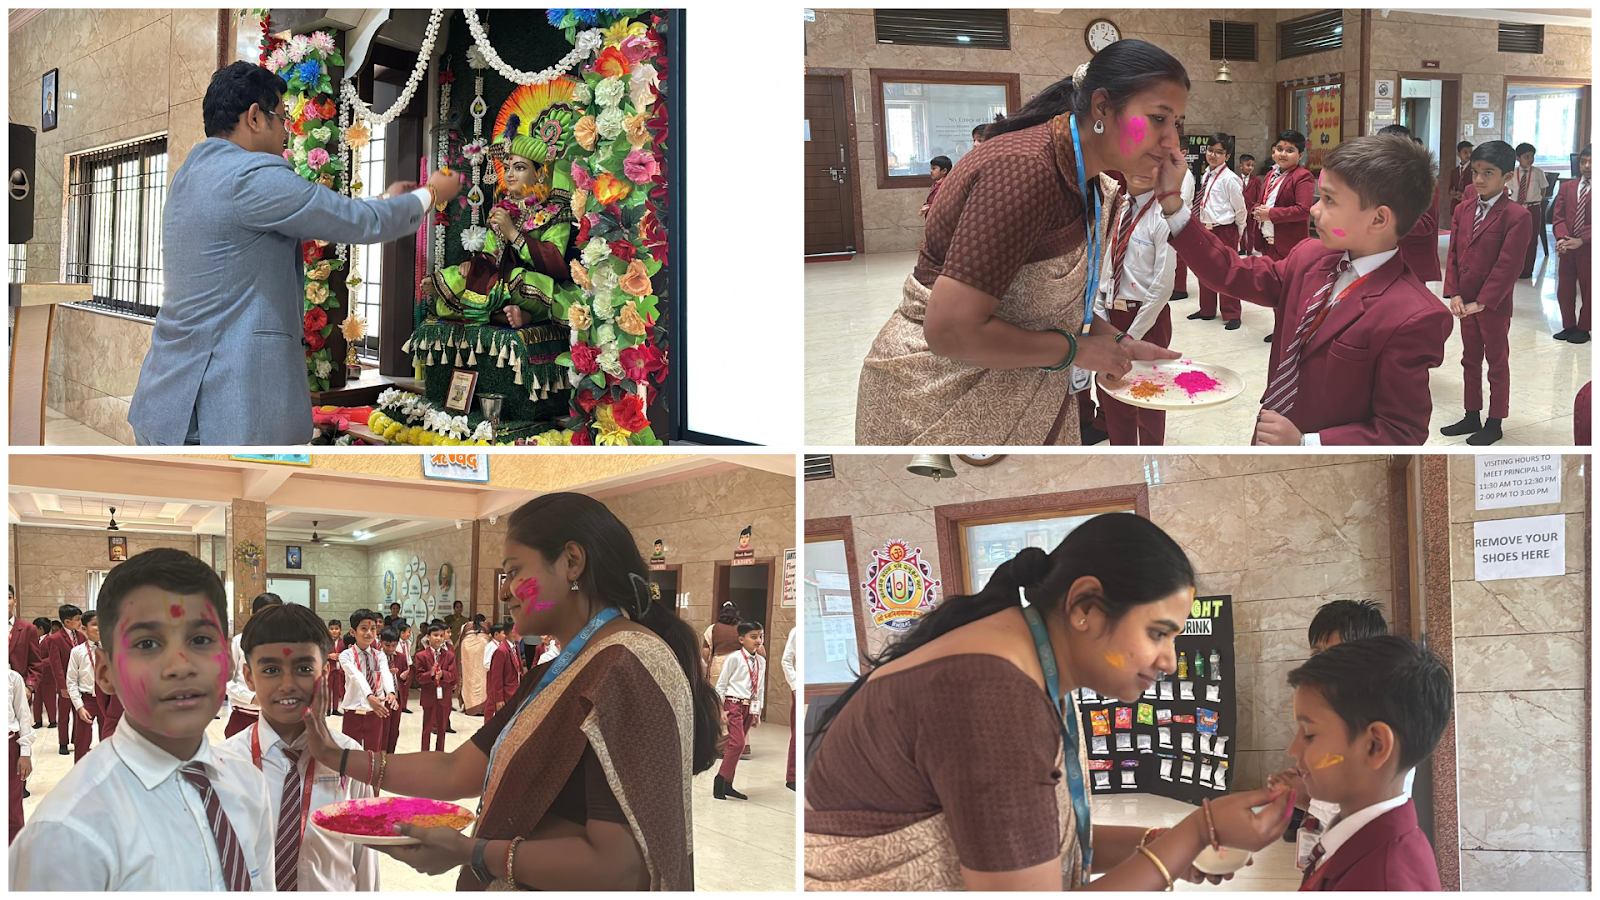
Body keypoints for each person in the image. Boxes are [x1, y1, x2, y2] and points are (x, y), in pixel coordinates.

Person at [805, 514, 1294, 890]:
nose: (1168, 660)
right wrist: (1192, 834)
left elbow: (1036, 837)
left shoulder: (1019, 662)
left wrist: (1166, 845)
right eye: (1157, 633)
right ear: (1084, 607)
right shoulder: (990, 694)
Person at [295, 492, 721, 890]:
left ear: (572, 562)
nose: (503, 589)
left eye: (515, 571)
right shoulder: (564, 668)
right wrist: (336, 755)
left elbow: (620, 863)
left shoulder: (627, 665)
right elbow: (457, 771)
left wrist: (473, 851)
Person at [853, 43, 1187, 445]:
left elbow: (1050, 302)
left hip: (1025, 387)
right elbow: (950, 332)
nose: (1171, 142)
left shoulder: (1094, 183)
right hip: (941, 398)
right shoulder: (1025, 170)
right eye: (1157, 119)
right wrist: (1078, 351)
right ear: (1102, 106)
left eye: (1177, 124)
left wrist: (1118, 342)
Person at [128, 62, 460, 445]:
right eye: (282, 117)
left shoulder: (191, 173)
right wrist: (429, 194)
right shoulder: (251, 175)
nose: (287, 130)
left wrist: (385, 199)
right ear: (255, 117)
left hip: (168, 396)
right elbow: (357, 222)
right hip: (224, 405)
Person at [8, 549, 276, 890]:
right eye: (148, 643)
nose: (180, 665)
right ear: (104, 671)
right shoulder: (67, 834)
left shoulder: (247, 785)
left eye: (200, 640)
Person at [1162, 133, 1452, 445]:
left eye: (1329, 200)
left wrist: (1306, 443)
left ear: (1379, 218)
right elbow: (1231, 273)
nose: (1314, 210)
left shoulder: (1413, 315)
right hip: (1273, 428)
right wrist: (1173, 206)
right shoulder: (1309, 256)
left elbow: (1401, 431)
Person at [220, 602, 377, 890]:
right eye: (270, 669)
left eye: (304, 668)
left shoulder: (350, 759)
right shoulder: (223, 766)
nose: (287, 684)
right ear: (248, 676)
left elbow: (364, 863)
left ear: (325, 674)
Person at [1281, 636, 1451, 890]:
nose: (1293, 750)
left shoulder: (1382, 882)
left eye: (1309, 734)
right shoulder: (1363, 843)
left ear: (1375, 746)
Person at [1275, 599, 1393, 843]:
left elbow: (1365, 810)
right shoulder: (1333, 707)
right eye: (1316, 653)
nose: (1321, 663)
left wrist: (1304, 798)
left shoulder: (1378, 720)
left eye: (1336, 653)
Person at [1441, 140, 1532, 446]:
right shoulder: (1463, 209)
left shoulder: (1516, 215)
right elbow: (1453, 253)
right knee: (1469, 359)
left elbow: (1509, 265)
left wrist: (1482, 301)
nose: (1478, 179)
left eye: (1488, 173)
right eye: (1476, 171)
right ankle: (1471, 414)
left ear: (1507, 176)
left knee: (1496, 361)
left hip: (1491, 305)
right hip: (1464, 302)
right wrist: (1453, 293)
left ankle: (1495, 421)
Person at [1095, 166, 1175, 446]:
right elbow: (1104, 263)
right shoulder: (1114, 210)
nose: (1142, 169)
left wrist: (1132, 337)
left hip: (1146, 318)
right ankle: (1122, 450)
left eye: (1152, 163)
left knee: (1149, 393)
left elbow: (1163, 285)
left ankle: (1153, 451)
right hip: (1110, 314)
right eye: (1136, 161)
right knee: (1114, 389)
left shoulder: (1163, 217)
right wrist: (1100, 312)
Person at [1185, 134, 1248, 328]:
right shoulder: (1207, 174)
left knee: (1226, 271)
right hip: (1206, 228)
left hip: (1224, 229)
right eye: (1210, 150)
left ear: (1227, 156)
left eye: (1219, 152)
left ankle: (1232, 313)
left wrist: (1239, 230)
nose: (1213, 155)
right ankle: (1207, 309)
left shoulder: (1230, 179)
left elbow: (1240, 208)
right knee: (1204, 269)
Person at [1378, 126, 1443, 284]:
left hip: (1412, 261)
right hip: (1382, 257)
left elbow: (1427, 224)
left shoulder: (1425, 180)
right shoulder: (1378, 178)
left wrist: (1387, 218)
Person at [714, 621, 766, 801]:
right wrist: (720, 709)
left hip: (749, 707)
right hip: (734, 704)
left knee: (736, 746)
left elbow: (760, 687)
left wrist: (758, 711)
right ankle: (720, 780)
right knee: (737, 744)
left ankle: (728, 784)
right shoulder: (734, 658)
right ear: (741, 639)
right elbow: (721, 684)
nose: (758, 641)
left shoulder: (761, 661)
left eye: (760, 636)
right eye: (754, 637)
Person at [225, 592, 283, 738]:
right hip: (243, 716)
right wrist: (251, 698)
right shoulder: (238, 642)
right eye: (264, 614)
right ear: (253, 615)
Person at [64, 610, 120, 761]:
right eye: (95, 624)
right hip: (87, 700)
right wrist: (79, 706)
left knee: (109, 740)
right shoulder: (77, 652)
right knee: (82, 743)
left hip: (108, 701)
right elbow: (71, 681)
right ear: (84, 628)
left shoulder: (112, 650)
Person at [338, 609, 395, 752]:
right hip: (353, 710)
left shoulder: (379, 655)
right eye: (364, 628)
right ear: (353, 632)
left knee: (374, 751)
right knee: (350, 752)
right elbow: (356, 676)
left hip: (375, 711)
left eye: (373, 629)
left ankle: (371, 775)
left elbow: (386, 674)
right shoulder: (346, 655)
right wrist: (369, 696)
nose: (369, 632)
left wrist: (391, 692)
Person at [1551, 144, 1591, 343]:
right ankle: (1569, 325)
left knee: (1590, 288)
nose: (1587, 166)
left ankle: (1584, 328)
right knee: (1564, 287)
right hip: (1567, 246)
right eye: (1584, 161)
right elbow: (1557, 216)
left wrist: (1582, 239)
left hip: (1590, 248)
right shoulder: (1567, 187)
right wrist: (1562, 238)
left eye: (1592, 162)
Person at [45, 603, 86, 756]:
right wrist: (63, 687)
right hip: (66, 685)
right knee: (64, 715)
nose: (80, 622)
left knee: (79, 714)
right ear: (67, 621)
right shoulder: (54, 639)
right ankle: (63, 743)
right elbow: (56, 666)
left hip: (80, 683)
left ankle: (77, 741)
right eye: (77, 619)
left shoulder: (81, 636)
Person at [414, 622, 457, 752]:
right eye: (435, 635)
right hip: (429, 695)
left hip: (444, 695)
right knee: (427, 728)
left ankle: (440, 753)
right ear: (428, 637)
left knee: (442, 728)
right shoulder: (421, 656)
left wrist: (443, 674)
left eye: (441, 635)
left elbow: (453, 676)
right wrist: (430, 674)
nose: (438, 638)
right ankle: (425, 753)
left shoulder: (449, 655)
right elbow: (419, 678)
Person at [1509, 142, 1546, 278]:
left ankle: (1527, 270)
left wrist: (1537, 200)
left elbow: (1543, 189)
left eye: (1532, 156)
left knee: (1531, 239)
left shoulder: (1538, 173)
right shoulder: (1512, 173)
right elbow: (1509, 189)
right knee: (1515, 238)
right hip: (1516, 207)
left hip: (1533, 207)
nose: (1530, 159)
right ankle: (1515, 268)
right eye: (1526, 156)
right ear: (1518, 157)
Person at [8, 588, 44, 728]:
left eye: (8, 597)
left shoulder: (28, 629)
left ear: (14, 601)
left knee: (20, 734)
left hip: (19, 690)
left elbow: (35, 663)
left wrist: (29, 687)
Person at [9, 666, 34, 844]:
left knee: (12, 809)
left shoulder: (12, 678)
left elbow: (23, 716)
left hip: (9, 746)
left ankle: (15, 856)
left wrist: (25, 753)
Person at [1168, 165, 1196, 301]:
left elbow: (1183, 198)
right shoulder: (1169, 170)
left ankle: (1180, 288)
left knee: (1179, 256)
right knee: (1170, 255)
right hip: (1169, 215)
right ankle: (1173, 285)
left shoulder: (1186, 174)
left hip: (1180, 216)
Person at [486, 620, 522, 718]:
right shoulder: (501, 651)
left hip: (516, 693)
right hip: (506, 695)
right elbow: (496, 678)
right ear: (513, 632)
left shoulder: (516, 648)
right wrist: (499, 699)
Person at [702, 602, 743, 685]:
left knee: (718, 693)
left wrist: (706, 664)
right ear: (737, 613)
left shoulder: (712, 628)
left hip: (718, 666)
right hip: (738, 665)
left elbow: (706, 651)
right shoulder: (743, 628)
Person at [380, 626, 405, 754]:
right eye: (387, 645)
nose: (390, 649)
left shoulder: (400, 657)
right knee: (383, 730)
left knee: (394, 730)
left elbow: (406, 676)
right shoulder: (377, 657)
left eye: (394, 645)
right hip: (382, 699)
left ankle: (391, 756)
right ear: (380, 641)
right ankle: (381, 757)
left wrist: (403, 677)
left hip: (397, 698)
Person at [458, 618, 490, 716]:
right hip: (483, 646)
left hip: (466, 648)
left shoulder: (465, 626)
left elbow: (460, 640)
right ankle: (481, 708)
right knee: (482, 678)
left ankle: (470, 707)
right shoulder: (487, 625)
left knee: (468, 678)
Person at [29, 617, 54, 730]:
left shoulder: (50, 640)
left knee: (50, 699)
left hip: (48, 676)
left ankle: (52, 720)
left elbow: (52, 658)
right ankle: (37, 720)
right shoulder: (34, 640)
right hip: (37, 676)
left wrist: (40, 663)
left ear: (41, 628)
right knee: (37, 700)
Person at [782, 625, 798, 792]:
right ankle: (792, 776)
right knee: (798, 732)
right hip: (800, 687)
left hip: (824, 682)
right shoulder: (796, 630)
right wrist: (794, 685)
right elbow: (786, 660)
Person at [1448, 141, 1474, 223]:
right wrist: (1452, 192)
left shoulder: (1474, 170)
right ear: (1458, 154)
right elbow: (1451, 187)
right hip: (1456, 204)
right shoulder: (1454, 171)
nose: (1468, 155)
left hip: (1469, 204)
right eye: (1465, 152)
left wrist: (1463, 195)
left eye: (1470, 152)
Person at [325, 618, 345, 718]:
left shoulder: (343, 642)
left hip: (339, 670)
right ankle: (328, 709)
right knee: (328, 690)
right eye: (331, 629)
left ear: (340, 630)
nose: (334, 631)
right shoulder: (325, 642)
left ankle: (335, 709)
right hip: (329, 669)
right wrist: (329, 656)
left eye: (336, 629)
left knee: (337, 690)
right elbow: (320, 653)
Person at [395, 621, 415, 714]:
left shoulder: (408, 643)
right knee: (400, 687)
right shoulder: (396, 643)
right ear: (402, 633)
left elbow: (409, 654)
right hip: (399, 665)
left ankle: (404, 705)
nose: (409, 634)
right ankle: (399, 704)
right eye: (408, 632)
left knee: (406, 687)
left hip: (408, 665)